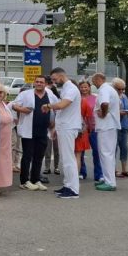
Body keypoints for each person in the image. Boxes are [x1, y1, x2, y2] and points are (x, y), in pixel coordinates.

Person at [12, 76, 56, 190]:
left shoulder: (50, 94)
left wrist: (53, 121)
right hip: (29, 130)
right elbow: (14, 104)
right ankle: (24, 181)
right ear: (34, 83)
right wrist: (22, 110)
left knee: (39, 156)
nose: (39, 84)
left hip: (43, 130)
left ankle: (35, 179)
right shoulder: (26, 94)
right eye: (37, 82)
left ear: (45, 84)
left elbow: (57, 107)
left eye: (41, 82)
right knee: (27, 156)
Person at [45, 68, 82, 199]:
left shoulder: (71, 88)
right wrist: (55, 127)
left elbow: (62, 105)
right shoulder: (66, 88)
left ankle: (73, 189)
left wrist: (48, 106)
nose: (54, 82)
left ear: (61, 76)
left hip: (69, 127)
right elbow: (61, 111)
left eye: (55, 79)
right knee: (65, 158)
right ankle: (67, 185)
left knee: (69, 159)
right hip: (64, 126)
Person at [91, 73, 119, 192]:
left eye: (93, 81)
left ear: (99, 79)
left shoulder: (104, 90)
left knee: (105, 153)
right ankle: (109, 179)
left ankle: (110, 182)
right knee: (109, 154)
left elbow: (105, 103)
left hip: (105, 126)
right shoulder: (110, 89)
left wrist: (103, 113)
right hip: (110, 126)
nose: (93, 83)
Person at [113, 79, 128, 178]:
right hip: (114, 126)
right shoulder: (112, 96)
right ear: (113, 88)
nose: (121, 91)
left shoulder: (124, 97)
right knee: (113, 148)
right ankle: (113, 170)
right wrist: (119, 113)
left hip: (124, 125)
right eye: (119, 89)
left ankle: (124, 169)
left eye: (123, 89)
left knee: (124, 148)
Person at [75, 81, 96, 182]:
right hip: (81, 128)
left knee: (96, 151)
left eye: (85, 87)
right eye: (82, 87)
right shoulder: (77, 98)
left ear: (89, 87)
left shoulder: (94, 98)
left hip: (92, 128)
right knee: (80, 152)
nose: (84, 89)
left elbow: (93, 114)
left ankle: (99, 174)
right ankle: (82, 172)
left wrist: (91, 126)